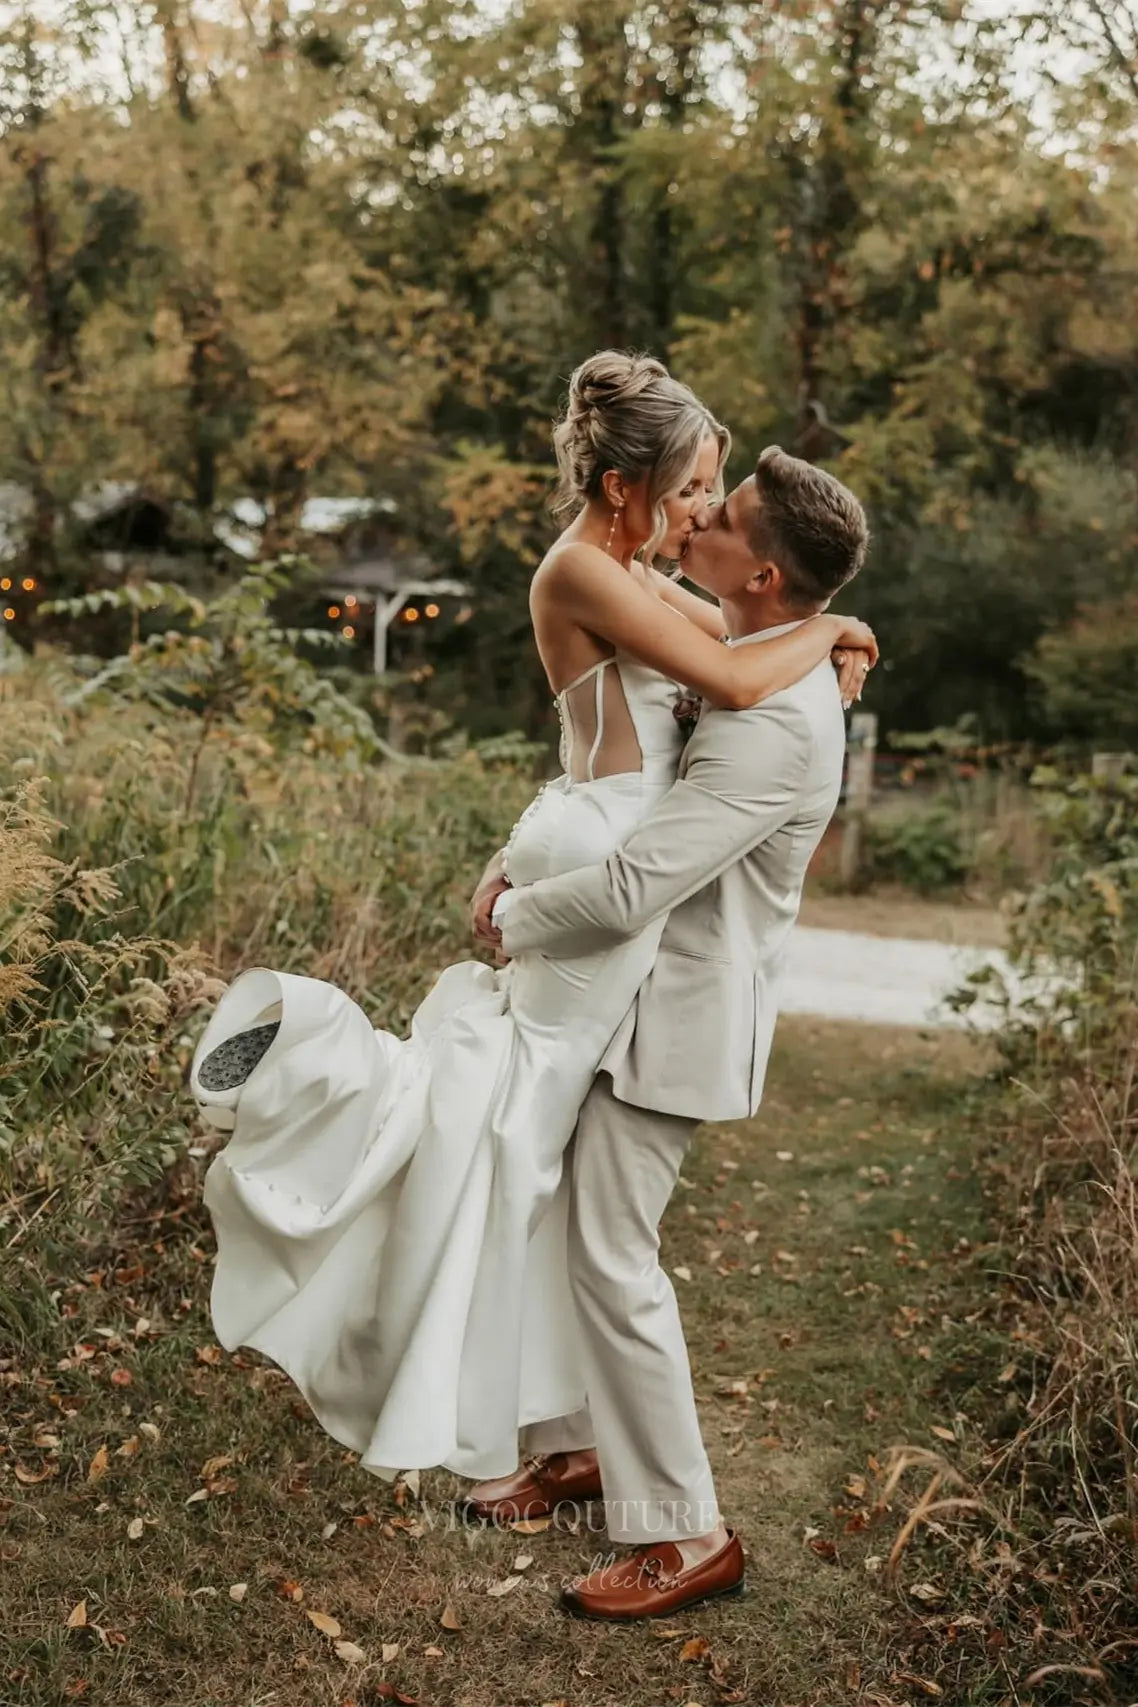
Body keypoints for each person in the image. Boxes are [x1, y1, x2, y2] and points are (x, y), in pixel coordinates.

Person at [188, 351, 875, 1493]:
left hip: (591, 831)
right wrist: (841, 627)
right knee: (497, 1131)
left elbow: (738, 635)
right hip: (598, 857)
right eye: (692, 485)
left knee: (523, 1142)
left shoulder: (627, 570)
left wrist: (828, 630)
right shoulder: (586, 571)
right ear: (625, 488)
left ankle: (556, 1436)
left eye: (713, 492)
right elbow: (740, 672)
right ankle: (308, 1069)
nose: (701, 508)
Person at [463, 442, 870, 1620]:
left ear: (764, 577)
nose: (697, 523)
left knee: (610, 1256)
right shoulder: (745, 648)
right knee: (561, 1222)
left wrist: (513, 920)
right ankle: (581, 1443)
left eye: (725, 520)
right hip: (627, 1000)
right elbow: (629, 785)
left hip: (677, 1016)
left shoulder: (775, 720)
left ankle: (685, 1533)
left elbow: (640, 883)